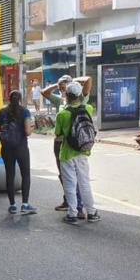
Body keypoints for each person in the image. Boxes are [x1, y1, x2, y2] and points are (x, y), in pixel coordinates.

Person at [42, 75, 90, 214]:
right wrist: (57, 85)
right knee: (64, 175)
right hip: (60, 144)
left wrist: (73, 82)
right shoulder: (60, 100)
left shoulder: (81, 100)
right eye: (61, 89)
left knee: (75, 177)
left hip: (73, 143)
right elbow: (44, 93)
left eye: (65, 89)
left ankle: (77, 207)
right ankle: (70, 201)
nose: (63, 91)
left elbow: (88, 81)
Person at [54, 82, 100, 224]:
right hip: (83, 152)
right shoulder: (88, 108)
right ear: (80, 95)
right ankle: (91, 212)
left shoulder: (62, 114)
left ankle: (72, 214)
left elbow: (58, 134)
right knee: (84, 183)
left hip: (67, 154)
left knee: (70, 184)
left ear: (66, 95)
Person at [0, 90, 36, 214]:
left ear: (8, 99)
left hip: (6, 148)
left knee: (10, 175)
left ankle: (12, 205)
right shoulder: (24, 112)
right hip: (21, 147)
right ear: (20, 99)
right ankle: (25, 204)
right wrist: (31, 128)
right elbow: (28, 132)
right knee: (26, 175)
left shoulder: (1, 112)